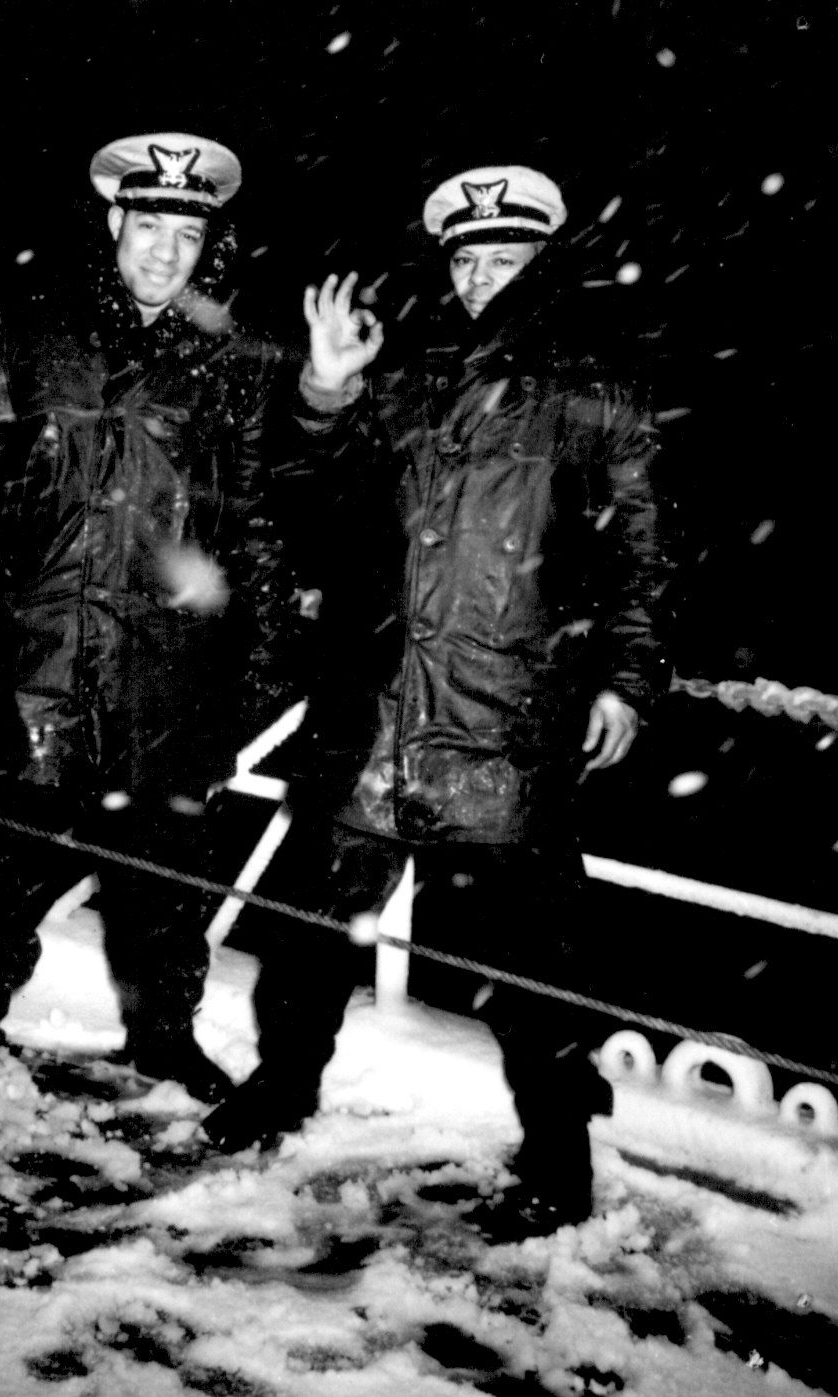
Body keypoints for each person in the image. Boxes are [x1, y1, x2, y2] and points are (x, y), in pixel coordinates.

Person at [203, 164, 671, 1238]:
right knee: (312, 926)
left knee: (528, 956)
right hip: (375, 709)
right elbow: (303, 503)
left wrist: (626, 678)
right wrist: (324, 390)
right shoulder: (404, 380)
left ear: (543, 264)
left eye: (502, 259)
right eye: (465, 258)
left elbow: (644, 556)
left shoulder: (597, 390)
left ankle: (559, 1154)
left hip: (509, 713)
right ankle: (282, 1087)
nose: (478, 278)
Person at [0, 131, 296, 1143]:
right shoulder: (34, 346)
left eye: (186, 233)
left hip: (167, 679)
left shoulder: (230, 366)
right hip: (39, 664)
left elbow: (248, 520)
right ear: (115, 223)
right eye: (148, 225)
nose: (164, 251)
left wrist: (257, 658)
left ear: (209, 244)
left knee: (168, 885)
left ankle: (162, 1034)